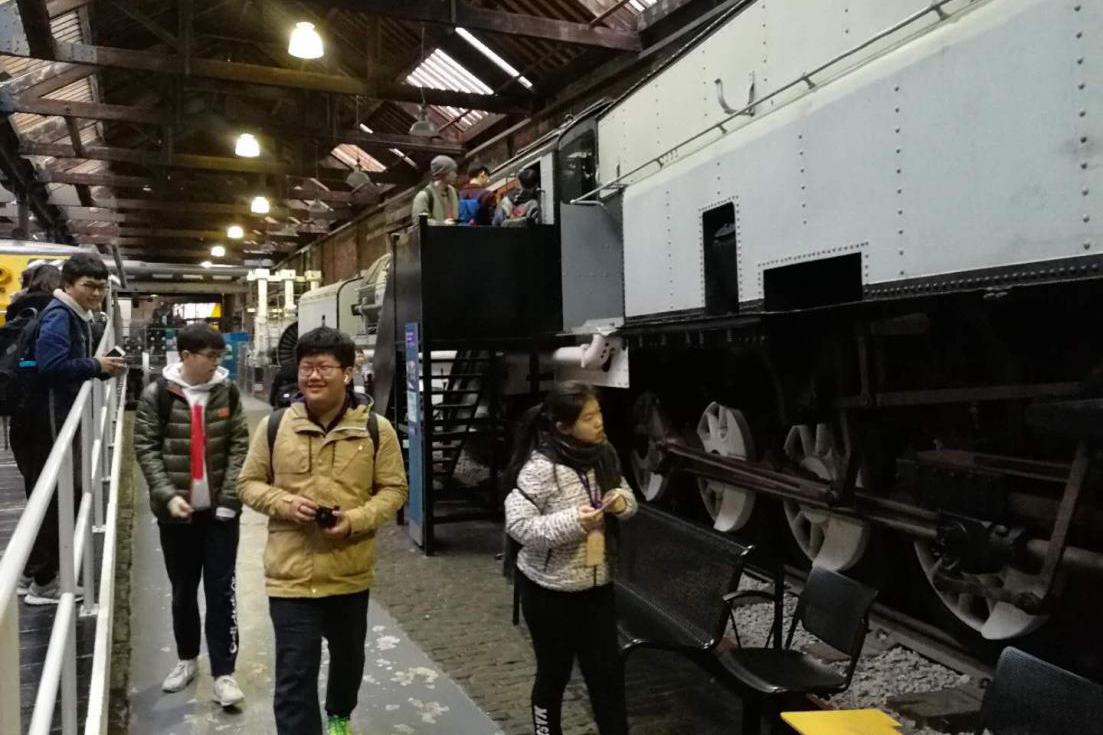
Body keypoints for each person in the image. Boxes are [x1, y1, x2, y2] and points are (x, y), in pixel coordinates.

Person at [238, 326, 408, 735]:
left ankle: (339, 715)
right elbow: (248, 483)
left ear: (347, 373)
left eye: (324, 367)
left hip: (349, 571)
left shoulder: (375, 430)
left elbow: (394, 490)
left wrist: (355, 520)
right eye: (306, 367)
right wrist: (284, 504)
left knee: (349, 660)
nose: (313, 376)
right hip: (290, 576)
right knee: (294, 676)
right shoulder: (275, 426)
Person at [504, 381, 638, 735]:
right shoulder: (540, 468)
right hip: (548, 592)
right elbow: (519, 526)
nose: (599, 423)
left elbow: (626, 495)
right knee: (554, 673)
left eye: (599, 414)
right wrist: (574, 522)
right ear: (564, 428)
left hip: (596, 587)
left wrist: (620, 503)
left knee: (606, 675)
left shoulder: (604, 454)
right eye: (588, 418)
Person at [133, 323, 249, 707]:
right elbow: (146, 448)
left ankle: (224, 673)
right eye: (210, 357)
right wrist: (167, 496)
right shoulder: (157, 395)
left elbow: (239, 445)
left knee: (221, 591)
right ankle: (186, 659)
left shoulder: (227, 391)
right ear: (186, 356)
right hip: (176, 518)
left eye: (219, 356)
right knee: (183, 591)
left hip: (220, 516)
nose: (216, 363)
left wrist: (229, 498)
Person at [18, 253, 127, 605]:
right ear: (68, 285)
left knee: (52, 493)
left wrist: (99, 366)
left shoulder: (73, 314)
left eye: (101, 287)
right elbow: (52, 367)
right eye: (89, 286)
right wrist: (96, 365)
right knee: (58, 495)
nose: (96, 293)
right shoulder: (59, 317)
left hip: (43, 419)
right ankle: (45, 583)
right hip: (47, 422)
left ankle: (30, 571)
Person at [411, 155, 460, 225]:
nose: (456, 175)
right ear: (443, 173)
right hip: (435, 232)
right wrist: (442, 224)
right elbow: (419, 222)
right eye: (453, 171)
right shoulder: (424, 196)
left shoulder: (454, 192)